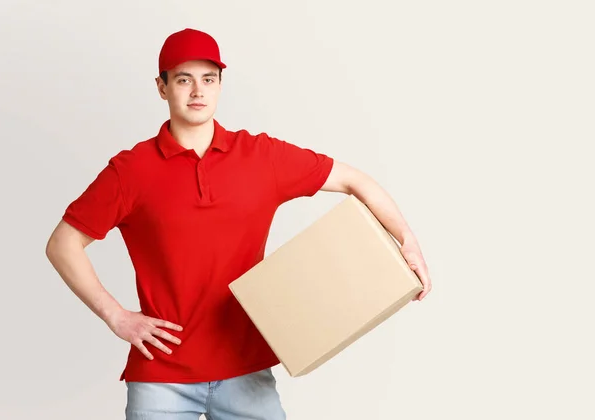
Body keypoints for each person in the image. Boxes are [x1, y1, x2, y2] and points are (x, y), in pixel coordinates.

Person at [45, 28, 432, 420]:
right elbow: (62, 244)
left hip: (247, 373)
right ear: (162, 88)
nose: (197, 91)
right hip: (162, 378)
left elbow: (354, 180)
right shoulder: (131, 171)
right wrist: (117, 316)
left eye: (208, 79)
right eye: (183, 79)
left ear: (219, 85)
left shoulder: (262, 157)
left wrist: (407, 241)